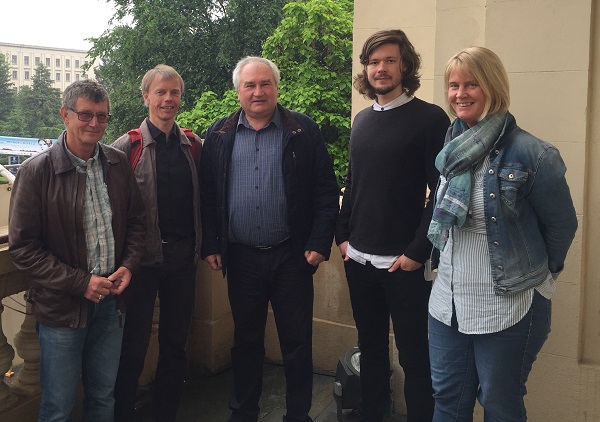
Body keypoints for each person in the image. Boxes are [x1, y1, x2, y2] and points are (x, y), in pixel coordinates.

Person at [427, 46, 578, 421]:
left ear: (493, 86)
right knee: (447, 399)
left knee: (499, 402)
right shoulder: (450, 148)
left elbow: (562, 226)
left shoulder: (533, 154)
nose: (460, 93)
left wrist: (540, 278)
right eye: (453, 85)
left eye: (472, 84)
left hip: (509, 303)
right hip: (448, 303)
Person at [201, 56, 339, 422]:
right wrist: (212, 244)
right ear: (238, 91)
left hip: (291, 257)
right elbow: (207, 196)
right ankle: (242, 413)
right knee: (245, 343)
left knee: (296, 344)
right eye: (250, 85)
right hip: (242, 258)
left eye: (265, 84)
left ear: (277, 87)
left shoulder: (303, 131)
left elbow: (326, 192)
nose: (258, 92)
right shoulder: (218, 134)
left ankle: (298, 415)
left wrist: (317, 243)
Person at [8, 79, 146, 421]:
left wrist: (128, 265)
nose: (95, 124)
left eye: (102, 116)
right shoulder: (36, 172)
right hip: (61, 311)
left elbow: (137, 224)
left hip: (112, 303)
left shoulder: (116, 163)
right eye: (86, 115)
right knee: (58, 406)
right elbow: (23, 248)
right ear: (65, 116)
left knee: (103, 398)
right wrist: (80, 283)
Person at [335, 29, 449, 422]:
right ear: (365, 69)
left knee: (415, 358)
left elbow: (442, 193)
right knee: (371, 350)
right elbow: (353, 183)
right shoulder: (362, 120)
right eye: (373, 62)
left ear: (405, 66)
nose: (380, 69)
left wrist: (418, 252)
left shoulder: (430, 119)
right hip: (359, 261)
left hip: (404, 266)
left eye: (389, 61)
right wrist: (342, 237)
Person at [112, 64, 202, 422]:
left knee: (175, 344)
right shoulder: (126, 147)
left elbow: (208, 200)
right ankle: (122, 413)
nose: (168, 99)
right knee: (133, 347)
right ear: (146, 96)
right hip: (141, 263)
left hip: (183, 259)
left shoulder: (193, 146)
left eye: (174, 92)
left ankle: (166, 411)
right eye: (161, 92)